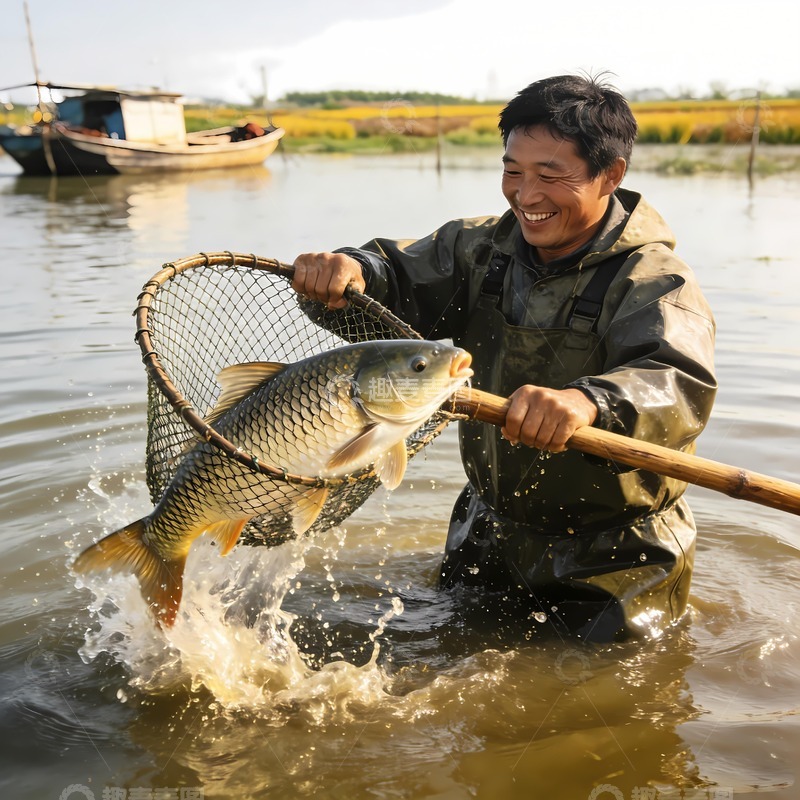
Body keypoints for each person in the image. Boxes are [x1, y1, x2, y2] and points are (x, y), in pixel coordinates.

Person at [292, 74, 716, 642]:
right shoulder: (478, 249)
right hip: (486, 530)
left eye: (551, 175)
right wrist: (351, 270)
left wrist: (587, 403)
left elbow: (675, 384)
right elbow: (394, 280)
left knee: (603, 704)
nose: (526, 195)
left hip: (615, 559)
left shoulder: (656, 281)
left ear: (610, 175)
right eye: (513, 171)